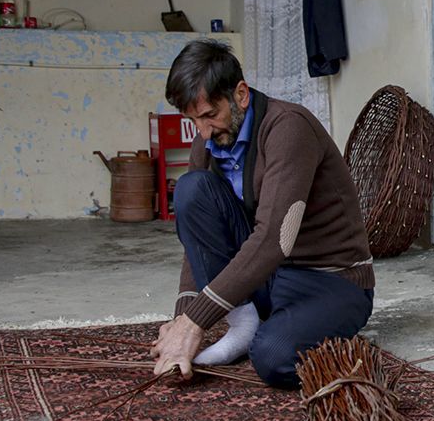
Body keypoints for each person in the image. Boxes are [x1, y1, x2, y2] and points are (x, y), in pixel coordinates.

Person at [150, 39, 374, 388]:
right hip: (267, 277)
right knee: (192, 189)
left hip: (331, 281)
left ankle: (298, 326)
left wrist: (195, 322)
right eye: (193, 120)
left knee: (273, 359)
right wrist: (182, 319)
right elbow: (197, 241)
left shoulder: (288, 127)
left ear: (241, 94)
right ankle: (247, 320)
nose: (204, 131)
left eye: (210, 115)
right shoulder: (208, 141)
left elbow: (274, 239)